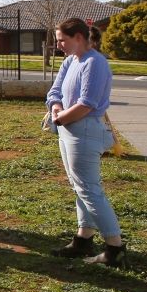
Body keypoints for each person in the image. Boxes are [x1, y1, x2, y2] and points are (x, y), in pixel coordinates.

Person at [47, 17, 126, 266]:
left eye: (62, 40)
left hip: (85, 131)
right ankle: (84, 238)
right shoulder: (70, 61)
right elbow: (54, 91)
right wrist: (56, 108)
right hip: (68, 130)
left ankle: (115, 248)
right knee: (78, 185)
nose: (58, 44)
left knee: (89, 189)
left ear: (79, 37)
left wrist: (59, 120)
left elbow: (87, 103)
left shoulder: (95, 63)